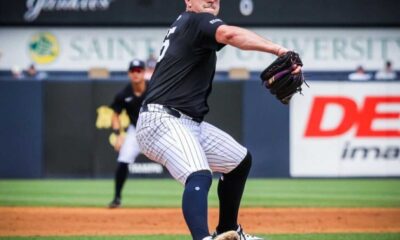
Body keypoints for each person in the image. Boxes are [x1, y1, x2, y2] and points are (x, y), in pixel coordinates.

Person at [135, 0, 301, 239]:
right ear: (188, 1)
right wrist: (280, 50)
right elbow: (229, 33)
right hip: (162, 119)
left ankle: (228, 230)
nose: (212, 0)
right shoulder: (196, 19)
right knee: (199, 174)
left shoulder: (190, 24)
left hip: (187, 122)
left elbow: (222, 35)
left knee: (239, 161)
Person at [108, 59, 148, 208]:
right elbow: (115, 115)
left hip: (156, 130)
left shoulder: (154, 88)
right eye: (133, 71)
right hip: (135, 131)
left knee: (176, 159)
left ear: (144, 72)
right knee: (123, 160)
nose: (136, 73)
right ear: (129, 73)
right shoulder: (123, 94)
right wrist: (119, 135)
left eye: (139, 70)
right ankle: (117, 198)